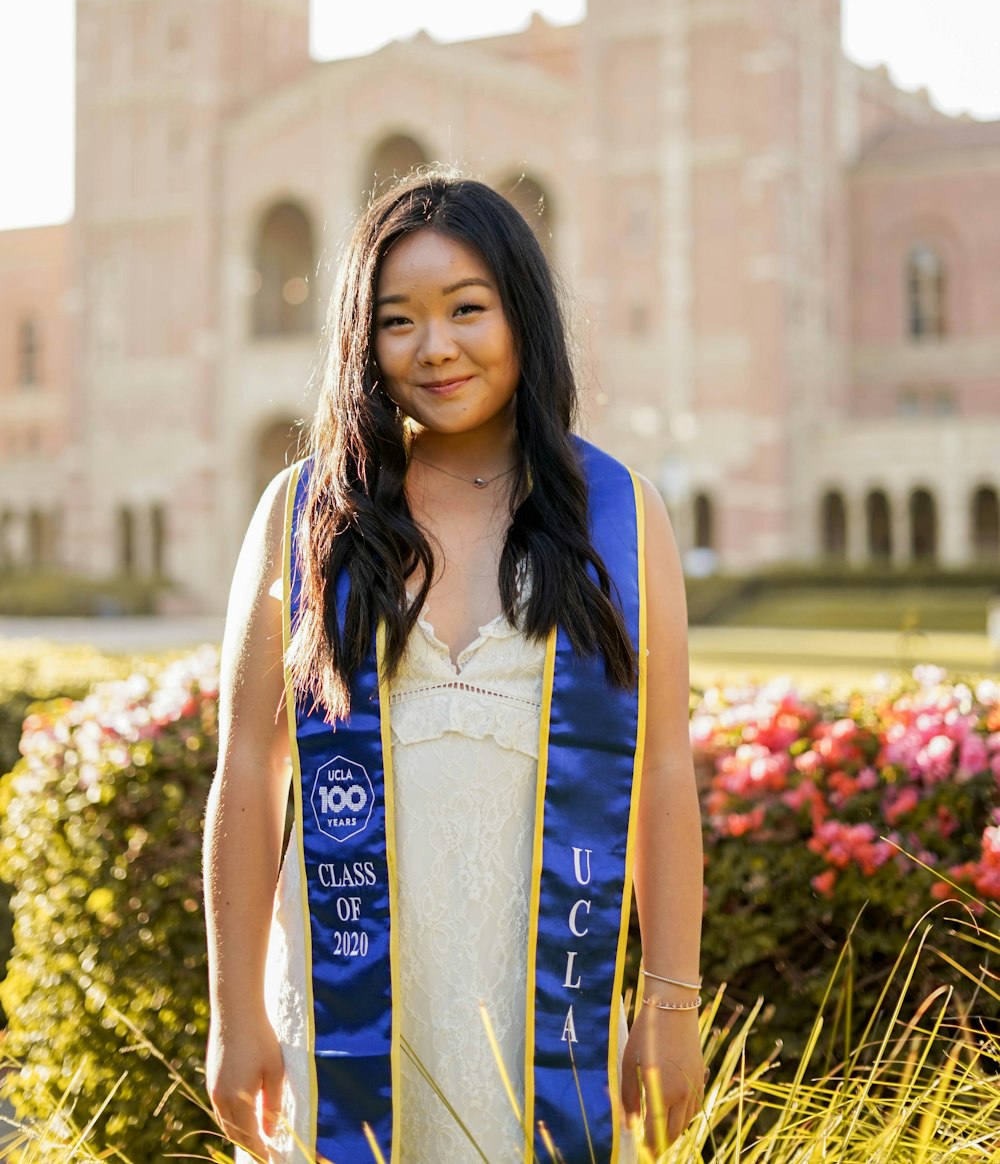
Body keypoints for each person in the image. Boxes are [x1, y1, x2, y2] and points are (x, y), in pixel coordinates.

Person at [203, 169, 705, 1164]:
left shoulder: (620, 516)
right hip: (349, 1001)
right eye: (398, 321)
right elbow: (247, 777)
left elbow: (660, 772)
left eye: (466, 309)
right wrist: (233, 1012)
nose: (435, 347)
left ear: (521, 312)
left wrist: (672, 1001)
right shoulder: (306, 516)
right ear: (363, 341)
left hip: (539, 1006)